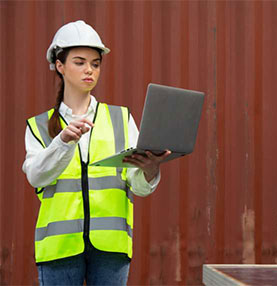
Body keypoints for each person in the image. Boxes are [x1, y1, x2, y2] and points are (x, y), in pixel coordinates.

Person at [22, 20, 170, 285]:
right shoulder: (40, 126)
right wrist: (63, 142)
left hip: (110, 250)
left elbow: (137, 186)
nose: (89, 69)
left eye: (95, 63)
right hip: (59, 250)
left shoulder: (120, 118)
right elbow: (36, 177)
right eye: (79, 62)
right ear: (60, 66)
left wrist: (150, 169)